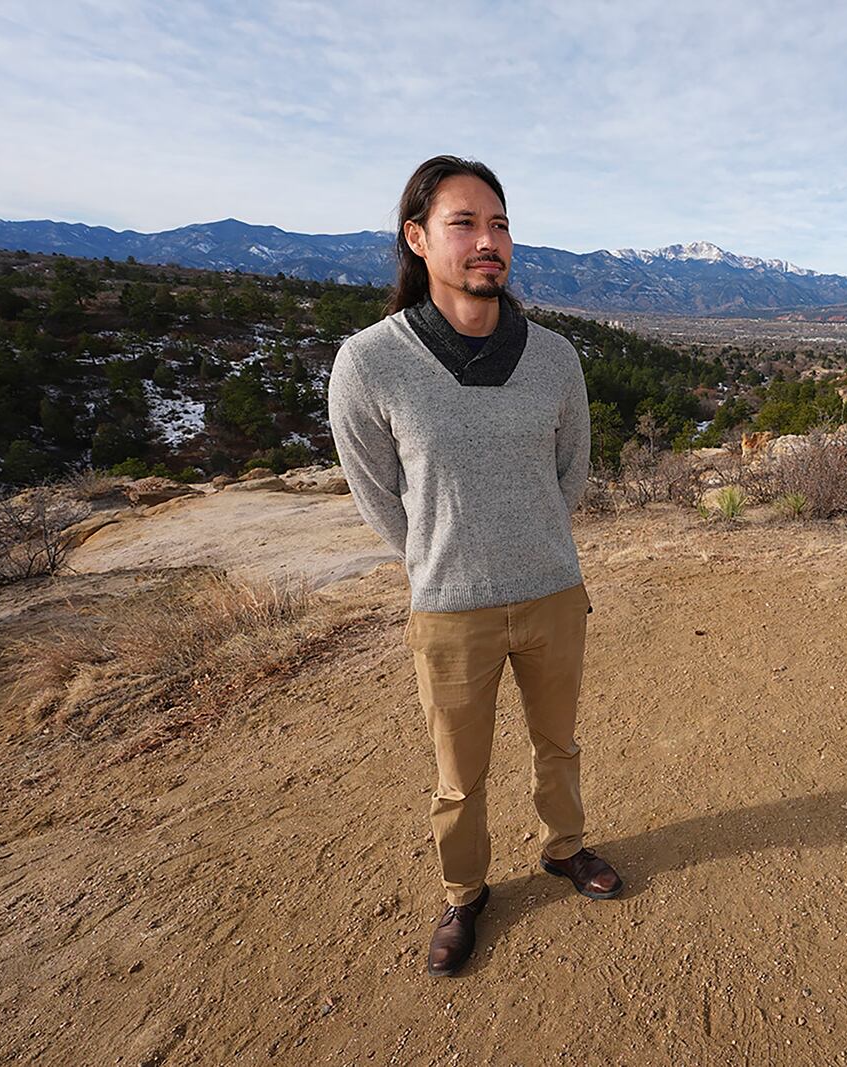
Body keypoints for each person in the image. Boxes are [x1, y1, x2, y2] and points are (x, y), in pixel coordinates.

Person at [327, 155, 622, 978]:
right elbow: (378, 493)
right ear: (417, 238)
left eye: (498, 224)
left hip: (554, 592)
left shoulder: (556, 356)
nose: (487, 241)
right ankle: (465, 892)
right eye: (465, 223)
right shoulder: (369, 362)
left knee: (558, 743)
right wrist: (441, 557)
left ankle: (564, 848)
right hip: (449, 605)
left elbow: (572, 471)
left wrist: (529, 539)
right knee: (459, 774)